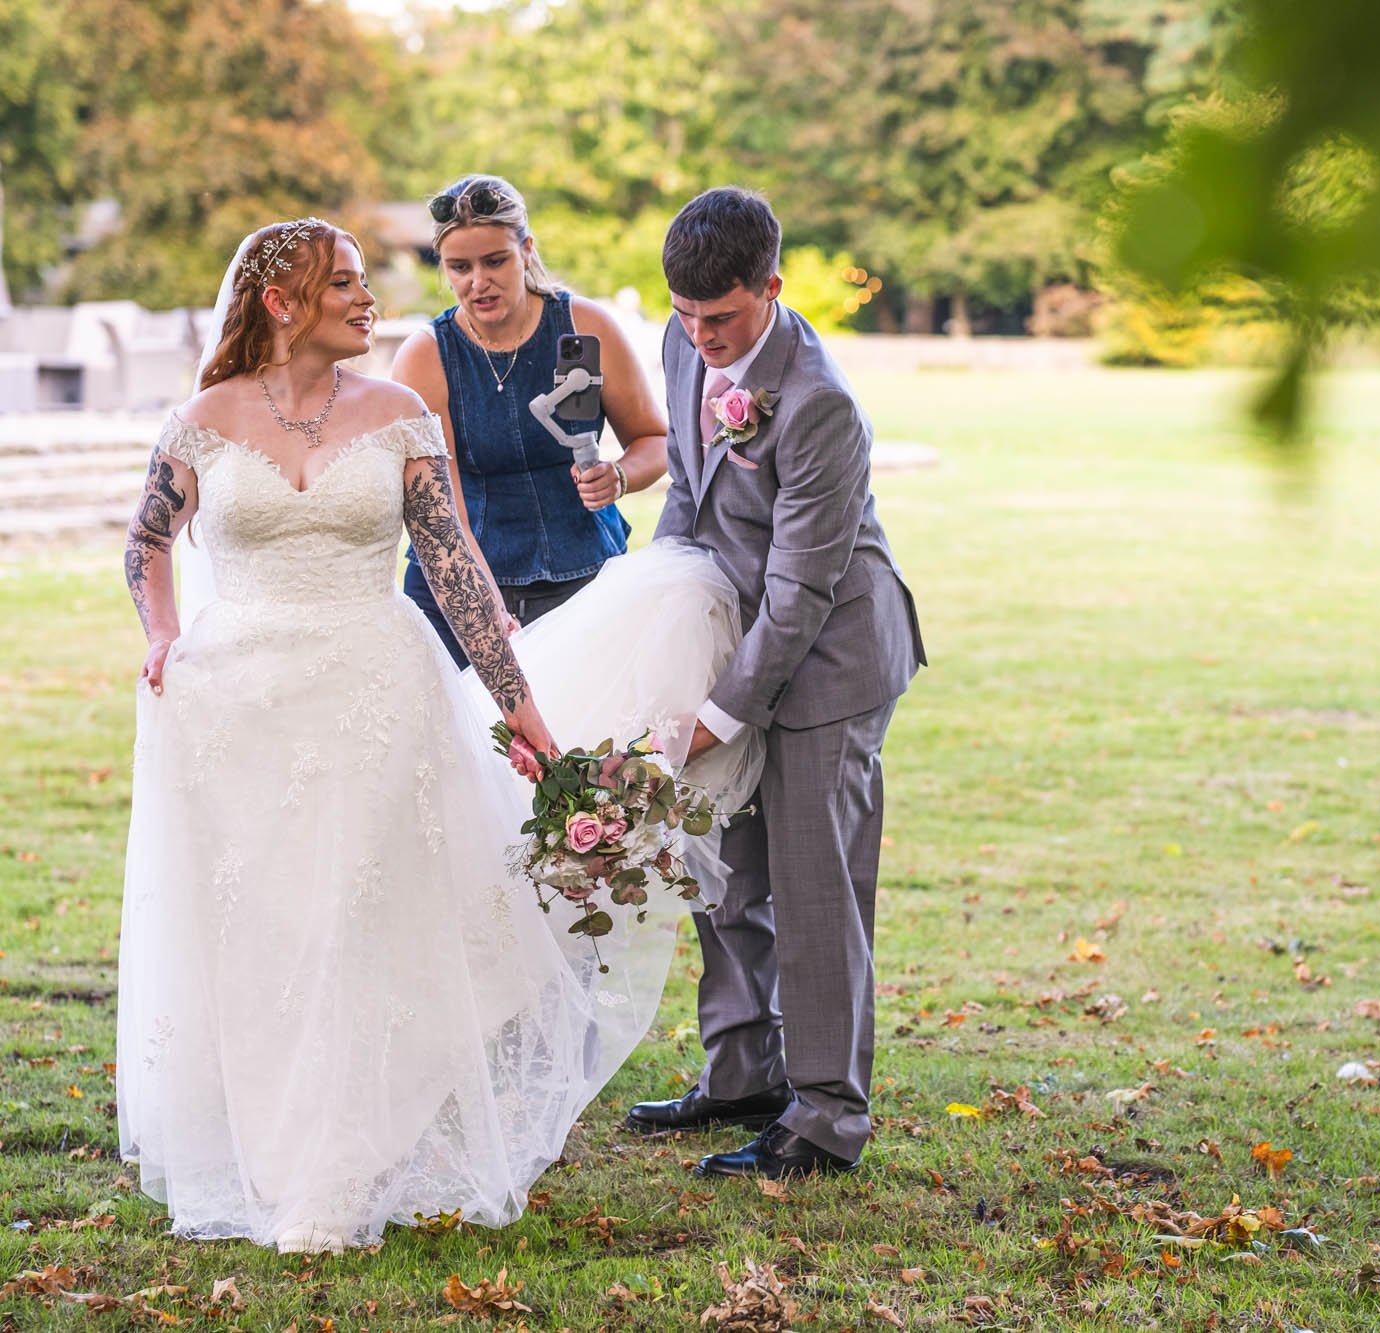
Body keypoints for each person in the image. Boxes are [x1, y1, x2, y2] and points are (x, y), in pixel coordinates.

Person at [116, 218, 755, 1255]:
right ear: (281, 302)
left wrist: (527, 717)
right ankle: (269, 1146)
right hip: (235, 709)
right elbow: (147, 540)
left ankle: (336, 1167)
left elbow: (458, 575)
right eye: (344, 284)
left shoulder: (399, 414)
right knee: (265, 930)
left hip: (375, 696)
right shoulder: (203, 419)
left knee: (354, 922)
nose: (369, 299)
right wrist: (161, 633)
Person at [621, 188, 924, 1179]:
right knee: (724, 861)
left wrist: (711, 719)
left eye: (721, 317)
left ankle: (826, 1116)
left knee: (812, 884)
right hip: (740, 639)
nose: (700, 336)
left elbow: (799, 592)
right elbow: (687, 493)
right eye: (685, 314)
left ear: (773, 288)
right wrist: (663, 620)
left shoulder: (818, 401)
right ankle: (743, 1072)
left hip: (831, 655)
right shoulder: (681, 348)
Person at [392, 174, 672, 666]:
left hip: (583, 581)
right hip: (463, 590)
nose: (478, 282)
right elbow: (444, 513)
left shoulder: (585, 327)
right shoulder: (426, 356)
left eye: (495, 260)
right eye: (460, 267)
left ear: (526, 250)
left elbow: (655, 439)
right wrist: (485, 609)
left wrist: (620, 476)